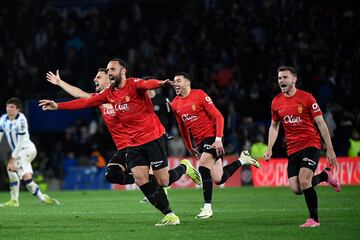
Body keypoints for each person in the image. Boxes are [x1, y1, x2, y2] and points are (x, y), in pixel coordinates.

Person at [39, 59, 201, 226]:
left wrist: (162, 83)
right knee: (139, 179)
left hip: (152, 138)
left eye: (112, 69)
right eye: (108, 69)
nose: (109, 72)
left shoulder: (133, 84)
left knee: (163, 181)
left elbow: (147, 84)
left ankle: (184, 167)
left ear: (123, 72)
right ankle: (169, 215)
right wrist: (58, 105)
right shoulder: (106, 95)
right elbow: (84, 100)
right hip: (132, 143)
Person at [170, 72, 261, 219]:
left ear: (188, 83)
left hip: (212, 137)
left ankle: (207, 208)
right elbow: (182, 127)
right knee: (219, 178)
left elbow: (219, 116)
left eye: (178, 81)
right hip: (200, 142)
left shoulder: (199, 95)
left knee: (203, 167)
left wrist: (218, 139)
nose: (175, 84)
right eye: (173, 82)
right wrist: (188, 146)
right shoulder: (175, 104)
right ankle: (242, 160)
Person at [264, 66, 341, 228]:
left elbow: (321, 122)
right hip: (292, 148)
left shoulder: (307, 98)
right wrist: (270, 147)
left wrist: (330, 149)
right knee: (297, 188)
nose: (281, 81)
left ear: (294, 79)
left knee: (305, 180)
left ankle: (314, 219)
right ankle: (325, 177)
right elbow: (274, 126)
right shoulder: (276, 101)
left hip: (310, 143)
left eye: (285, 77)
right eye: (279, 78)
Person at [46, 68, 134, 186]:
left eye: (98, 77)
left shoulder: (124, 95)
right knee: (112, 175)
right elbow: (79, 94)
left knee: (160, 178)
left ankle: (150, 180)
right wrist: (59, 83)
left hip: (139, 142)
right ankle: (144, 180)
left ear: (109, 81)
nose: (94, 79)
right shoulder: (100, 99)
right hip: (124, 147)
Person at [0, 98, 59, 207]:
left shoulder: (21, 119)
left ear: (18, 109)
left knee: (10, 168)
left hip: (27, 150)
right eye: (8, 106)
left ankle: (14, 200)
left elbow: (21, 140)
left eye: (12, 107)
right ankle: (43, 198)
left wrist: (13, 157)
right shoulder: (3, 119)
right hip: (19, 153)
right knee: (27, 178)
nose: (9, 109)